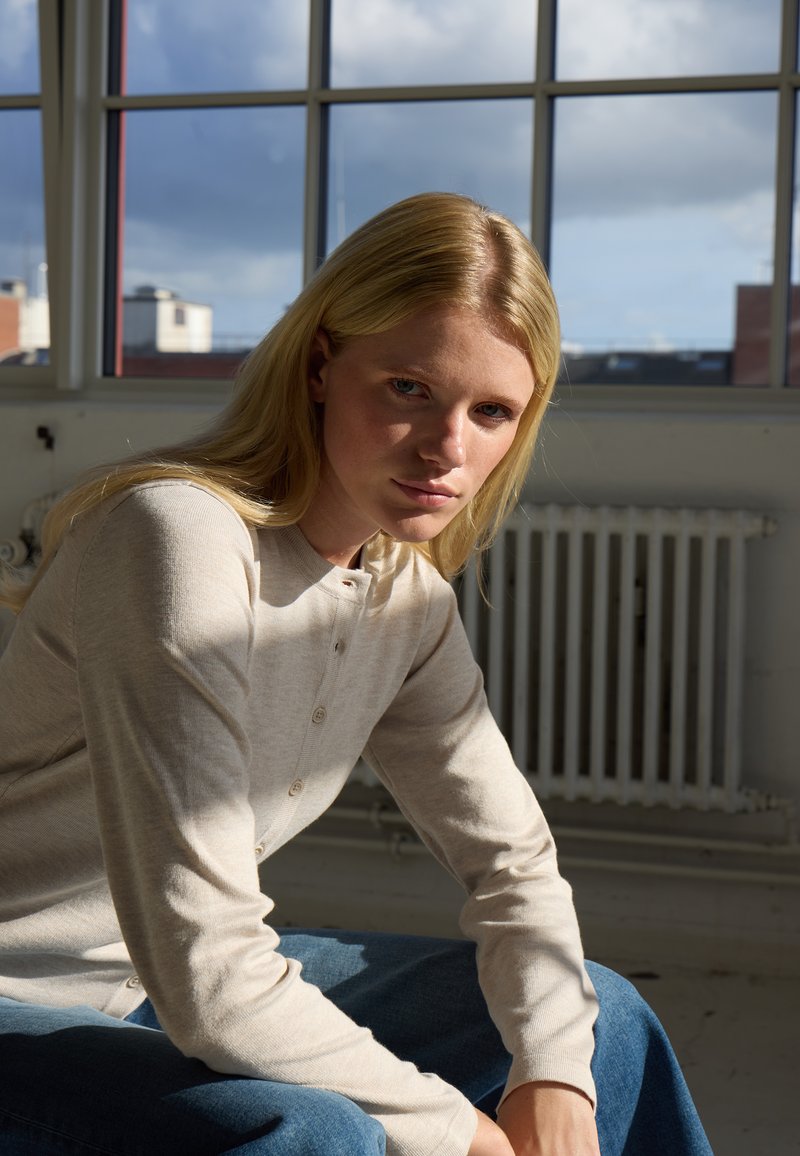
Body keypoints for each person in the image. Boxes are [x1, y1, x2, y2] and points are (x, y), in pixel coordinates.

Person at [0, 192, 712, 1156]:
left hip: (153, 987)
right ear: (320, 366)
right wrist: (466, 1134)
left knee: (597, 1021)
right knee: (312, 1127)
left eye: (491, 412)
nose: (448, 449)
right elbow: (211, 977)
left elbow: (514, 868)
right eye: (409, 388)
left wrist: (554, 1083)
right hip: (23, 992)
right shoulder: (176, 537)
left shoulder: (404, 601)